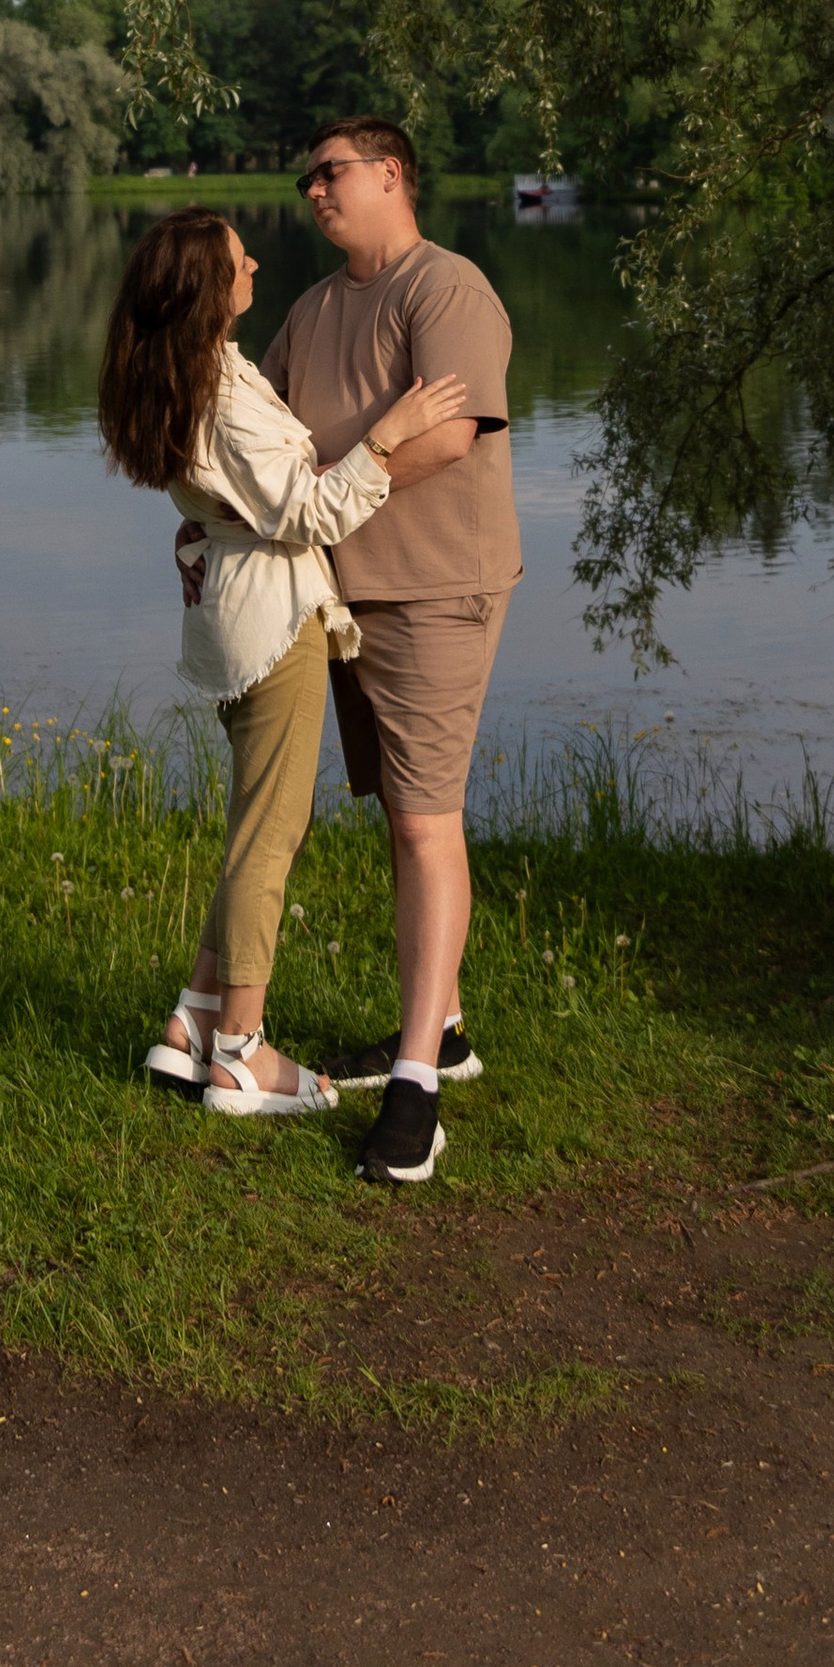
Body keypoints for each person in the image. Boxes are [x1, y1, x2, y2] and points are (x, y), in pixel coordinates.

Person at [95, 206, 472, 1118]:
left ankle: (192, 1020)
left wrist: (209, 520)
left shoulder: (190, 372)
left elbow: (227, 493)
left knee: (254, 821)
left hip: (230, 605)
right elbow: (308, 511)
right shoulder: (219, 392)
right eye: (238, 258)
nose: (255, 261)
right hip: (270, 621)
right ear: (206, 288)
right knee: (272, 834)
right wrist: (389, 432)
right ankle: (243, 1054)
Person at [261, 118, 517, 1186]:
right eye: (306, 177)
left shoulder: (444, 288)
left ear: (390, 173)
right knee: (400, 814)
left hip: (433, 590)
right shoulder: (314, 308)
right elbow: (266, 433)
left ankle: (416, 1086)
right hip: (342, 598)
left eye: (330, 171)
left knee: (425, 820)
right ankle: (442, 1024)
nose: (312, 189)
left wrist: (318, 507)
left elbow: (452, 433)